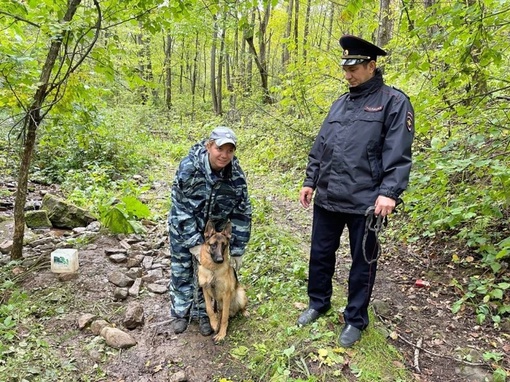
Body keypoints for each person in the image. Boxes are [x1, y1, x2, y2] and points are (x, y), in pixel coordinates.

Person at [297, 35, 414, 347]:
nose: (347, 74)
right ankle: (318, 303)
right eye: (345, 68)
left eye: (354, 68)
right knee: (320, 254)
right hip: (329, 197)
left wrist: (389, 191)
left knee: (363, 262)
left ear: (371, 66)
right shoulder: (340, 104)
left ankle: (355, 320)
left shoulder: (394, 102)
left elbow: (398, 152)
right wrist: (311, 180)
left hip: (367, 200)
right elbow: (321, 146)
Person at [168, 126, 252, 336]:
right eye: (219, 149)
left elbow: (242, 213)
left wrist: (238, 250)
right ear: (209, 146)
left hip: (214, 234)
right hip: (183, 227)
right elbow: (181, 207)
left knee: (208, 274)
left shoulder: (236, 177)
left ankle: (201, 314)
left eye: (230, 150)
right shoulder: (189, 168)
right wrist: (195, 243)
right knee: (182, 269)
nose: (224, 155)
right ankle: (181, 312)